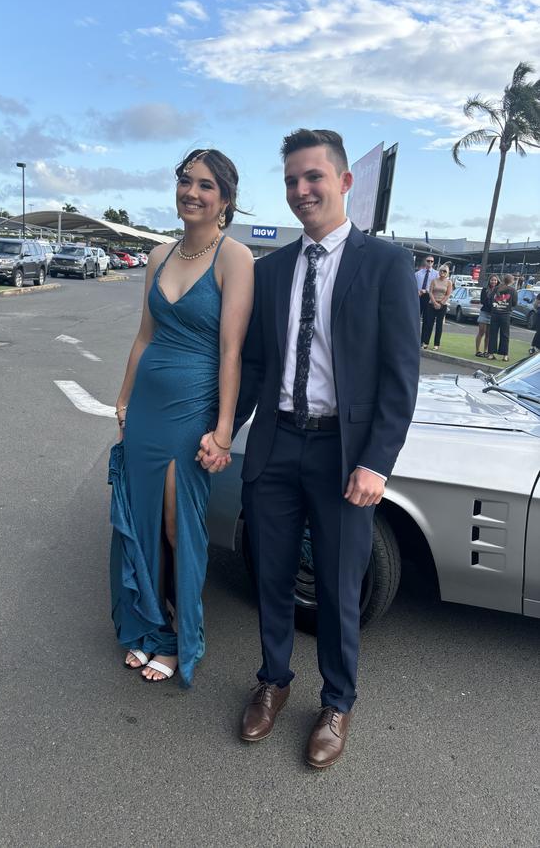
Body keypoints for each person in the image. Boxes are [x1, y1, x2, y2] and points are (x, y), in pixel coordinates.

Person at [217, 129, 419, 768]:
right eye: (291, 182)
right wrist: (225, 429)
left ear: (344, 182)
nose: (301, 191)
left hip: (342, 453)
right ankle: (273, 680)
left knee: (337, 585)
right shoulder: (271, 270)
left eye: (313, 178)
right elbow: (253, 365)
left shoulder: (385, 265)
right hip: (275, 446)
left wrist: (376, 462)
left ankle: (337, 701)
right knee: (271, 573)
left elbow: (399, 376)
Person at [109, 149, 254, 685]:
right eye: (185, 182)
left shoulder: (234, 257)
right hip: (146, 407)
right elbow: (145, 336)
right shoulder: (157, 255)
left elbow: (231, 352)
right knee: (141, 520)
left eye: (206, 186)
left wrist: (222, 428)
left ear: (225, 200)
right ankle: (150, 626)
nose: (192, 192)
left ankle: (179, 638)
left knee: (176, 526)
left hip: (192, 410)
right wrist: (122, 401)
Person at [421, 263, 453, 349]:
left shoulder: (449, 282)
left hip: (442, 305)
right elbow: (430, 292)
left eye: (444, 271)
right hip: (432, 304)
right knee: (429, 324)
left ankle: (436, 344)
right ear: (439, 271)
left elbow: (448, 294)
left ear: (447, 272)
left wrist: (441, 303)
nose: (442, 272)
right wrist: (434, 303)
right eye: (441, 271)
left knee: (439, 325)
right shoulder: (434, 280)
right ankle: (425, 343)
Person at [487, 273, 518, 362]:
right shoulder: (513, 290)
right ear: (511, 281)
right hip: (506, 315)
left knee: (493, 334)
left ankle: (491, 354)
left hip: (495, 314)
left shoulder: (496, 288)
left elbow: (490, 300)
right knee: (505, 335)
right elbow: (515, 303)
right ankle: (505, 355)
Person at [475, 275, 499, 357]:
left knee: (488, 334)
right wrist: (492, 305)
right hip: (485, 312)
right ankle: (478, 351)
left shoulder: (498, 291)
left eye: (495, 280)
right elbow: (483, 301)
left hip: (493, 314)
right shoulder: (485, 290)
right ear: (489, 281)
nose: (494, 282)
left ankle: (486, 351)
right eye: (492, 280)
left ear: (497, 281)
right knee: (481, 332)